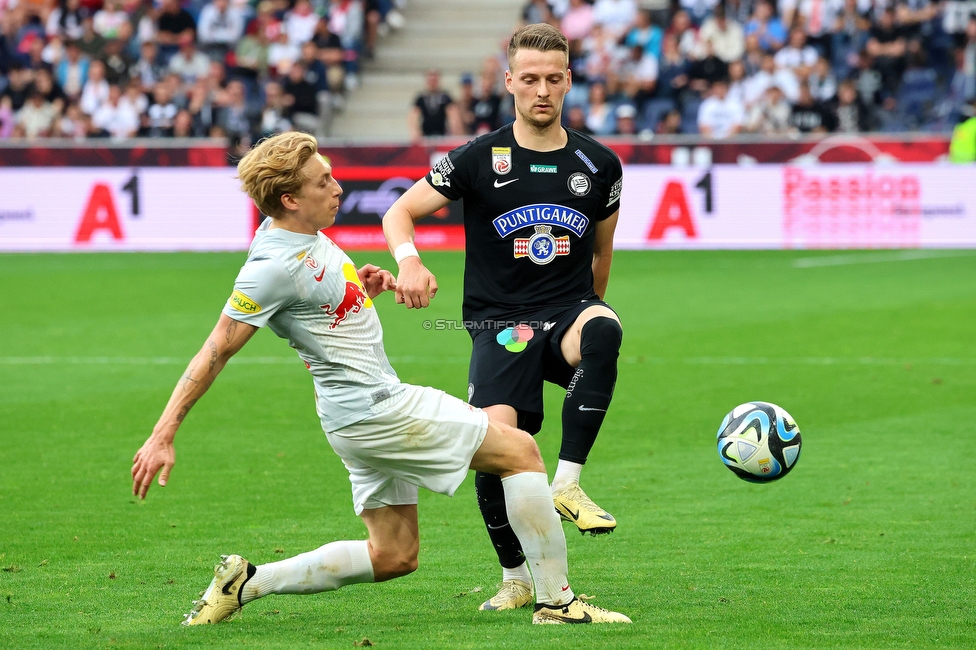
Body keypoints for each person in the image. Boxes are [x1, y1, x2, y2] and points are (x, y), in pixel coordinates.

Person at [130, 131, 631, 628]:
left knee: (394, 555)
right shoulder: (271, 265)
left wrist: (362, 295)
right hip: (377, 409)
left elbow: (315, 314)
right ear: (289, 199)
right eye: (323, 181)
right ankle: (558, 604)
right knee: (520, 451)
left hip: (350, 418)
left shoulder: (303, 235)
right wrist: (162, 433)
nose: (338, 189)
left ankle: (248, 582)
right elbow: (214, 350)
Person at [382, 23, 625, 612]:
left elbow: (601, 256)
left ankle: (566, 482)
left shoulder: (599, 164)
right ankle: (515, 578)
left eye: (553, 79)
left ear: (569, 81)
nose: (542, 90)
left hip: (566, 312)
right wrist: (409, 263)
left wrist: (588, 319)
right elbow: (399, 213)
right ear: (510, 81)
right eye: (530, 79)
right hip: (501, 324)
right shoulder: (477, 158)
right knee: (495, 446)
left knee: (606, 327)